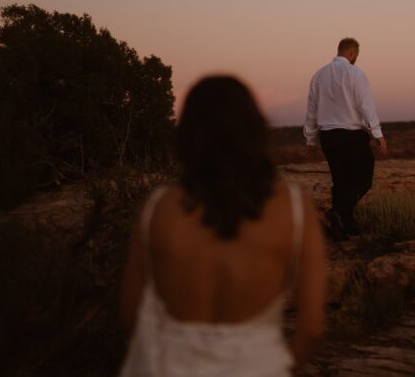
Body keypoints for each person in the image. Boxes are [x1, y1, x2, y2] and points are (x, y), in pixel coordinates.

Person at [119, 76, 326, 376]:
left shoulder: (158, 209)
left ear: (188, 134)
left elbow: (130, 314)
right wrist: (279, 368)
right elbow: (312, 328)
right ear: (255, 130)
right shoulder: (293, 208)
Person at [304, 37, 387, 240]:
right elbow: (365, 105)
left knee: (340, 181)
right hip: (352, 136)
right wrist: (377, 133)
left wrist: (311, 140)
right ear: (352, 53)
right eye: (356, 56)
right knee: (364, 178)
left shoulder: (318, 76)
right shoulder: (355, 73)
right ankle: (339, 212)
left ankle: (344, 227)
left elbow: (311, 111)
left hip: (328, 137)